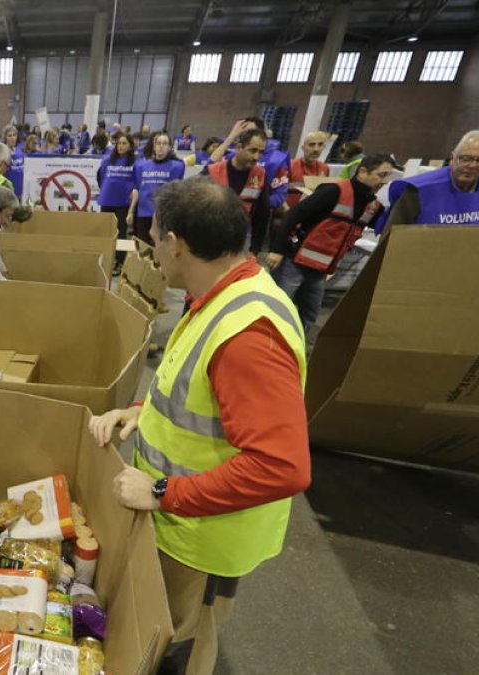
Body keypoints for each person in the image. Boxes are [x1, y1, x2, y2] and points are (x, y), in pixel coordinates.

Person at [88, 178, 309, 675]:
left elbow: (281, 468)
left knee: (179, 646)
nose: (151, 252)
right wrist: (141, 410)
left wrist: (162, 491)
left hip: (203, 534)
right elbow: (200, 396)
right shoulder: (217, 295)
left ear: (176, 244)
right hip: (181, 524)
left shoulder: (248, 333)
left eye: (153, 238)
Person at [267, 154, 395, 334]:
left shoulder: (372, 205)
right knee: (278, 308)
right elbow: (293, 215)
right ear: (363, 172)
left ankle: (296, 349)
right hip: (294, 261)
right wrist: (277, 250)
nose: (386, 181)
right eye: (382, 175)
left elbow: (386, 224)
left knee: (310, 314)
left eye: (389, 176)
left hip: (319, 270)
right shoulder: (333, 191)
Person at [382, 129, 479, 229]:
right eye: (465, 158)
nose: (472, 165)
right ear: (453, 157)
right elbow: (391, 237)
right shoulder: (419, 190)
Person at [202, 129, 270, 255]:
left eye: (261, 152)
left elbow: (262, 215)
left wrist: (255, 249)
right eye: (253, 150)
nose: (257, 157)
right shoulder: (212, 172)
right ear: (239, 147)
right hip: (209, 238)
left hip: (240, 241)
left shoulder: (260, 176)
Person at [130, 132, 186, 245]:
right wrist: (130, 211)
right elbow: (136, 189)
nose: (161, 146)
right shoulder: (140, 166)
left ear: (170, 147)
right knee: (142, 246)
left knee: (161, 247)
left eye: (165, 143)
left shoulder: (177, 167)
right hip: (143, 213)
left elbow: (177, 193)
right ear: (154, 146)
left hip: (163, 214)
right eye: (159, 143)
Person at [97, 133, 138, 273]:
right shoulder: (107, 160)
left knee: (121, 233)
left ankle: (119, 262)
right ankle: (105, 259)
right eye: (119, 143)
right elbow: (101, 177)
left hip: (123, 203)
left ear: (131, 146)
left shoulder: (135, 163)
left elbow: (136, 182)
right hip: (107, 200)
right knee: (106, 231)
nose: (121, 146)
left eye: (124, 143)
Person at [286, 132, 331, 209]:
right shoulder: (289, 165)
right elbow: (279, 193)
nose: (316, 149)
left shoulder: (325, 168)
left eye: (320, 145)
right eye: (311, 145)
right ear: (303, 148)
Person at [1, 125, 26, 198]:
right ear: (5, 138)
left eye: (14, 135)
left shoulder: (19, 151)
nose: (12, 138)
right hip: (7, 191)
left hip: (20, 191)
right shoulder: (2, 151)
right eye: (9, 136)